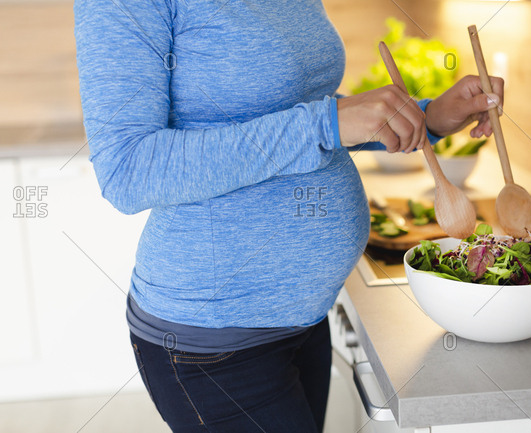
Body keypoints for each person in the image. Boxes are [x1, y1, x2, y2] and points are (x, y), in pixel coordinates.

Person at [74, 1, 504, 432]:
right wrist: (325, 124)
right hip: (214, 343)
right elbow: (128, 170)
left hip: (304, 321)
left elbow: (289, 107)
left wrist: (426, 118)